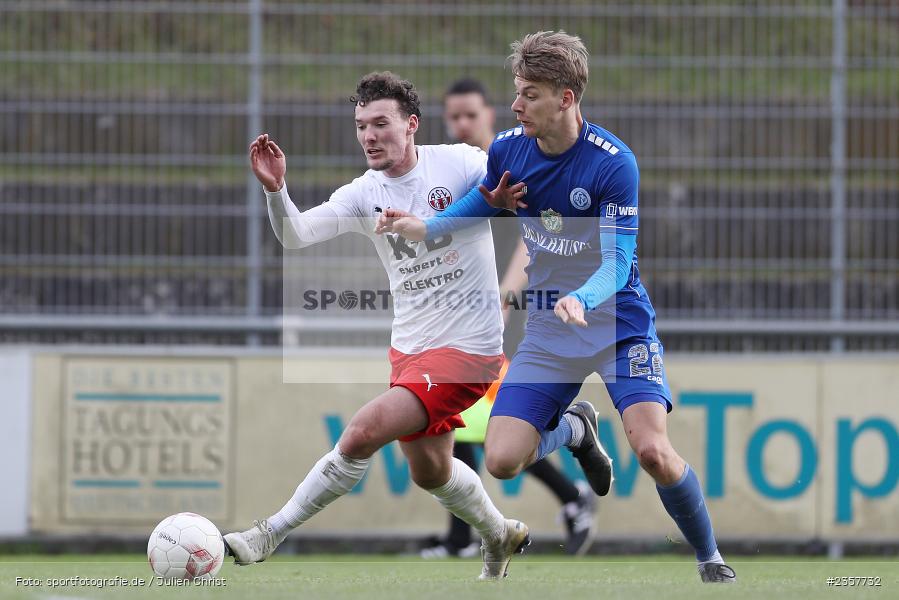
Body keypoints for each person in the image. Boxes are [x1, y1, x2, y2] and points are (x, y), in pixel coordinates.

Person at [377, 32, 736, 583]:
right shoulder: (509, 151)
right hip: (551, 327)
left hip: (618, 323)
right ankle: (573, 430)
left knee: (653, 452)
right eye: (517, 92)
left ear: (567, 97)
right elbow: (481, 205)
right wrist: (425, 229)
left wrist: (582, 297)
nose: (517, 105)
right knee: (500, 459)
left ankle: (710, 559)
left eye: (530, 94)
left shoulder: (613, 165)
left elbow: (618, 265)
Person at [223, 72, 531, 580]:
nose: (369, 135)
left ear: (411, 125)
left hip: (469, 347)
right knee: (429, 471)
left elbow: (517, 185)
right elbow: (296, 236)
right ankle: (498, 533)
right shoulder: (363, 192)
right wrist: (277, 191)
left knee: (362, 431)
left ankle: (267, 534)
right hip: (411, 349)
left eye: (381, 123)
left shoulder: (460, 163)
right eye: (361, 125)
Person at [419, 78, 597, 559]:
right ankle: (462, 537)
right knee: (460, 418)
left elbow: (530, 235)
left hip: (508, 314)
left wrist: (505, 295)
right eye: (453, 116)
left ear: (489, 116)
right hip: (463, 313)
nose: (460, 124)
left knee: (491, 424)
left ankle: (572, 495)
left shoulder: (505, 162)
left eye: (469, 115)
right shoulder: (455, 171)